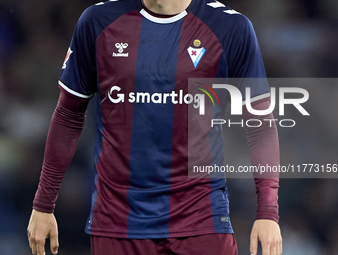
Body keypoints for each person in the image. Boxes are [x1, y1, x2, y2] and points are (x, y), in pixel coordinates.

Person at [27, 0, 282, 254]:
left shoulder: (230, 26)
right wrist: (43, 204)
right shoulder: (98, 21)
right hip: (118, 223)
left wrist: (268, 212)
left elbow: (259, 123)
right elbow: (69, 114)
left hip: (201, 220)